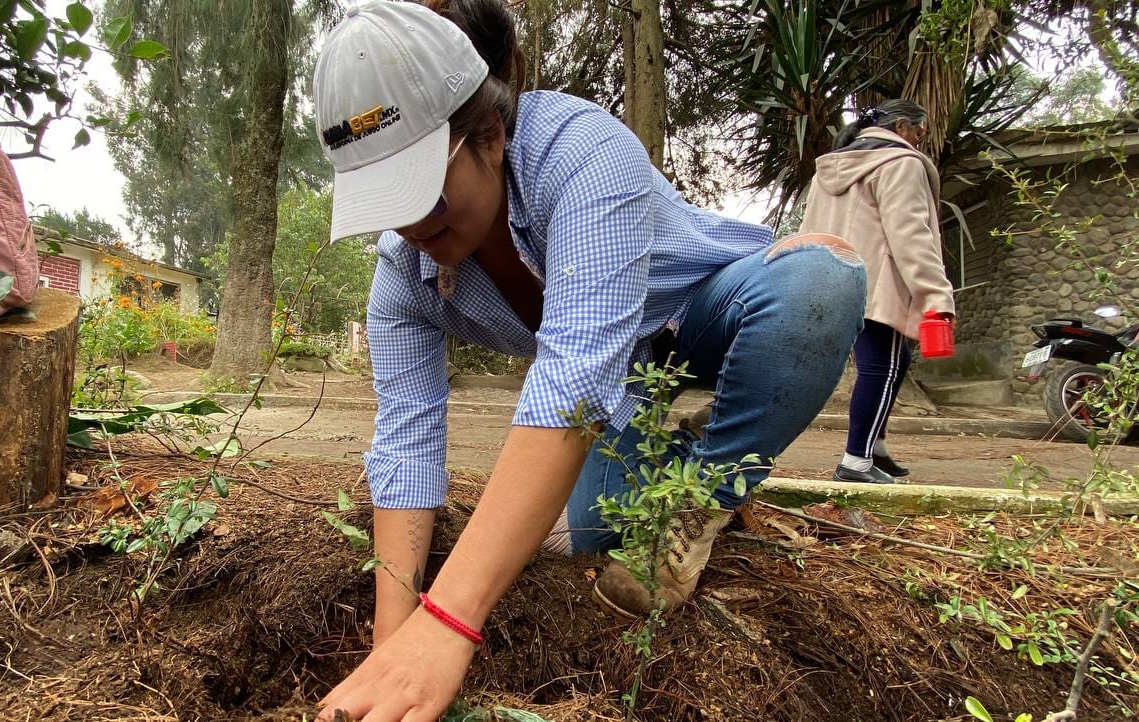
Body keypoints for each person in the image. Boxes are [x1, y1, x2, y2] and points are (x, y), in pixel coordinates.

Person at [311, 1, 866, 718]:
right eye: (388, 201)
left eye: (422, 188)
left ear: (490, 133)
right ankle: (672, 451)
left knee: (820, 281)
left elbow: (570, 382)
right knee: (596, 542)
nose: (412, 224)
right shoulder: (402, 280)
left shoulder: (579, 152)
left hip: (702, 312)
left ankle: (707, 489)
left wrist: (448, 624)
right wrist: (393, 641)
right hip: (624, 373)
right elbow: (407, 443)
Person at [799, 100, 956, 485]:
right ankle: (856, 461)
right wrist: (936, 295)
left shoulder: (829, 169)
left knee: (894, 361)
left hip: (830, 277)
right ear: (902, 126)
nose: (921, 142)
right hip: (875, 282)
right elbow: (911, 235)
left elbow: (808, 227)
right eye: (920, 133)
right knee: (881, 367)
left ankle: (876, 448)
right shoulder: (900, 164)